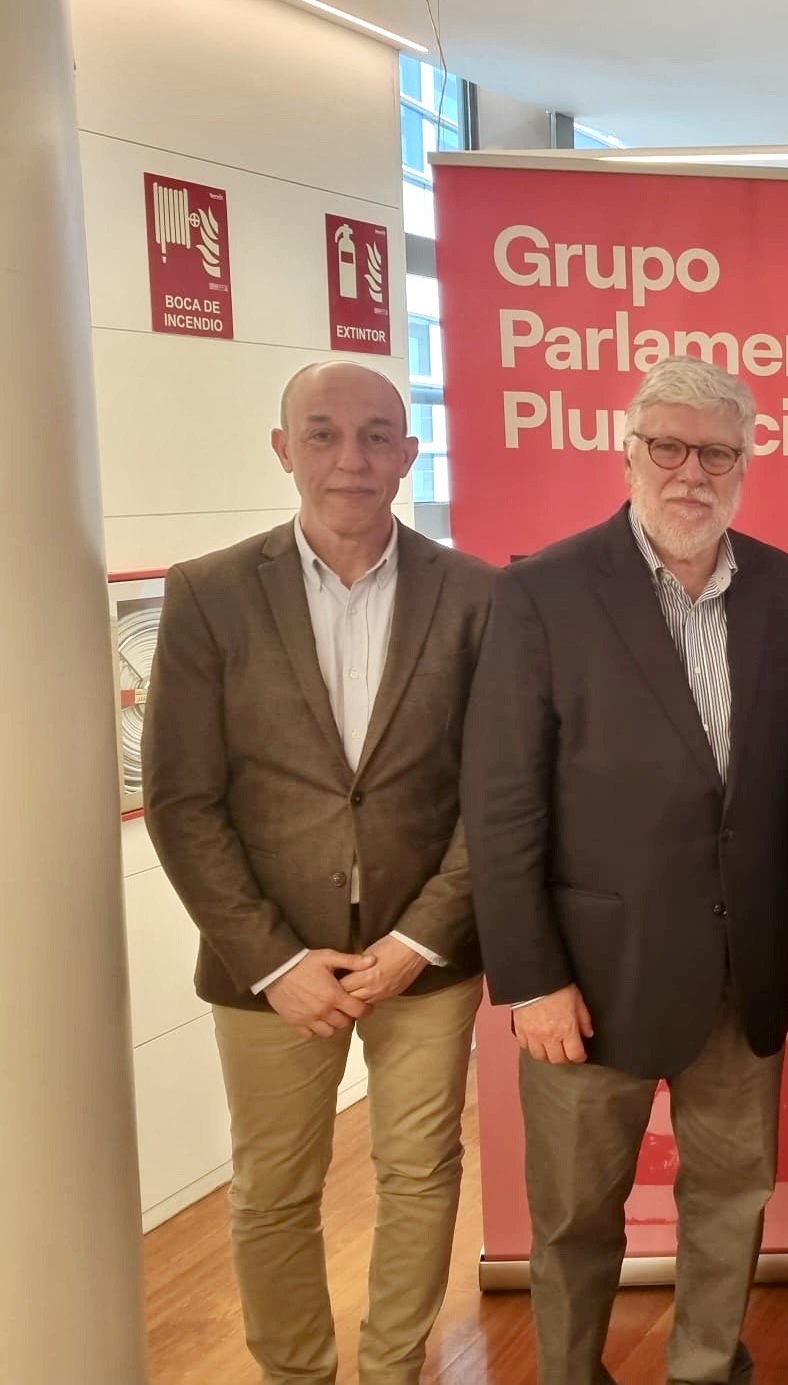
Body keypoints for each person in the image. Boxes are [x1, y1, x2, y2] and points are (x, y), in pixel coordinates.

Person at [461, 357, 788, 1385]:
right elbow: (500, 800)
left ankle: (705, 1368)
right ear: (628, 455)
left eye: (716, 452)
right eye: (667, 446)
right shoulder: (542, 591)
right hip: (588, 979)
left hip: (741, 971)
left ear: (746, 463)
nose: (690, 472)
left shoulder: (787, 590)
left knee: (732, 1197)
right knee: (573, 1217)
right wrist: (530, 979)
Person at [145, 360, 497, 1385]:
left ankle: (394, 1371)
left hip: (424, 954)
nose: (352, 459)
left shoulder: (478, 595)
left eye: (378, 435)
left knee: (422, 1175)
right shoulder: (210, 593)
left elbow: (496, 792)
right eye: (324, 433)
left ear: (409, 453)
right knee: (273, 1191)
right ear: (282, 448)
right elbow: (182, 800)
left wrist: (419, 938)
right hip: (270, 964)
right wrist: (271, 961)